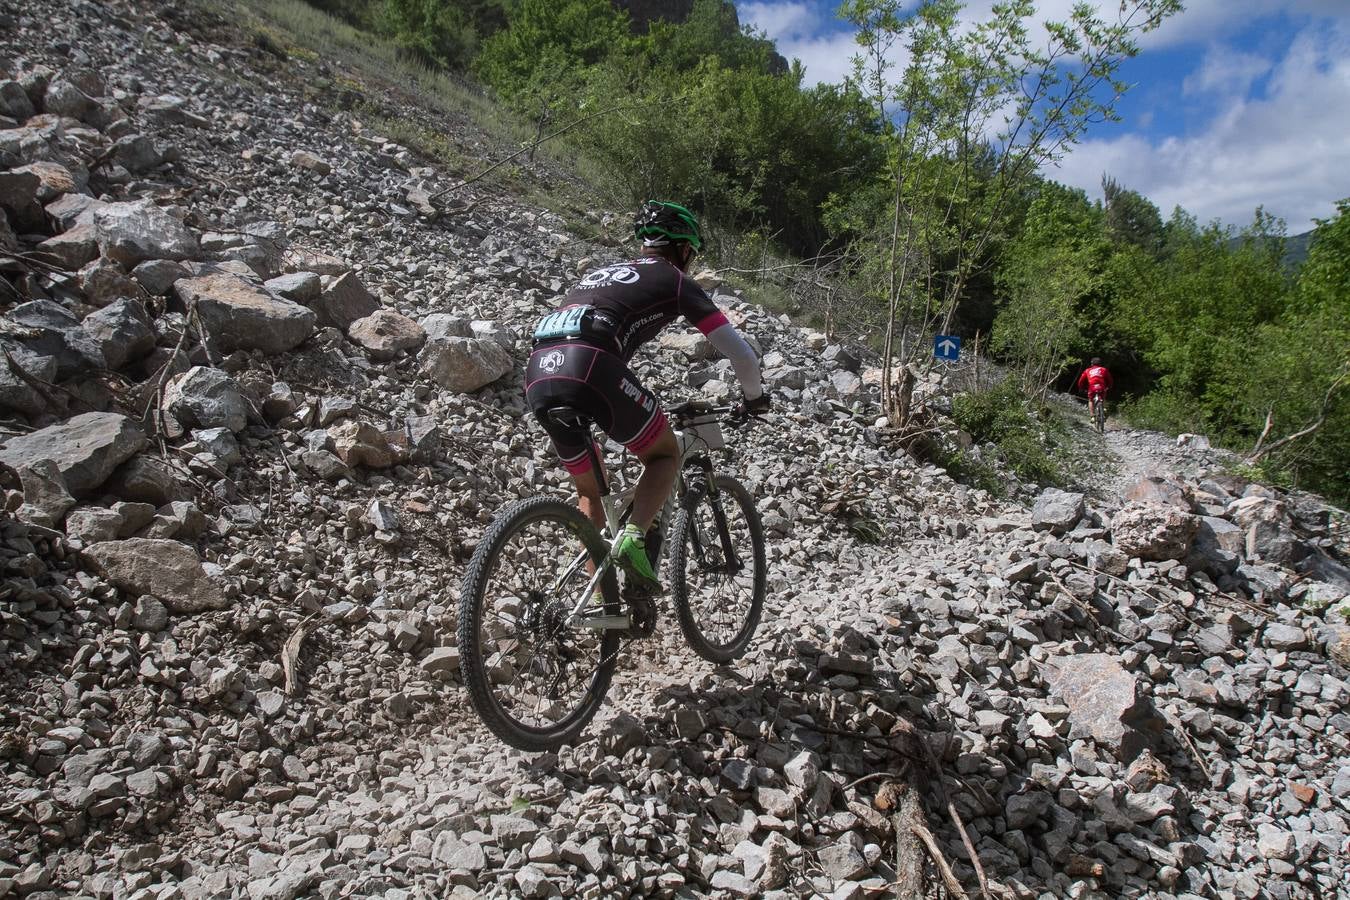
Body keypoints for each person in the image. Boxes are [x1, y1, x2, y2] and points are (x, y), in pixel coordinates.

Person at [524, 201, 769, 593]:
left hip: (539, 372)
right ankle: (634, 539)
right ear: (684, 249)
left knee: (590, 494)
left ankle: (602, 609)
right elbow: (740, 353)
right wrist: (754, 398)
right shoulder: (673, 279)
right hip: (591, 365)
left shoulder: (597, 275)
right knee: (664, 453)